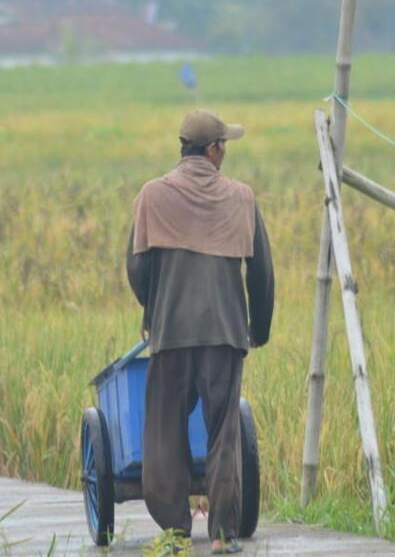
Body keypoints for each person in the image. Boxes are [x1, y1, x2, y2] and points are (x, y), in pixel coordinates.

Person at [126, 109, 274, 555]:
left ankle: (173, 531)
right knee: (223, 433)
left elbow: (137, 266)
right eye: (224, 144)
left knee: (165, 430)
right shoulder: (242, 198)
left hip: (171, 335)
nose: (226, 151)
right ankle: (223, 536)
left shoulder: (152, 196)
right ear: (212, 150)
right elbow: (262, 273)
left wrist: (154, 308)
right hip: (225, 336)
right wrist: (258, 329)